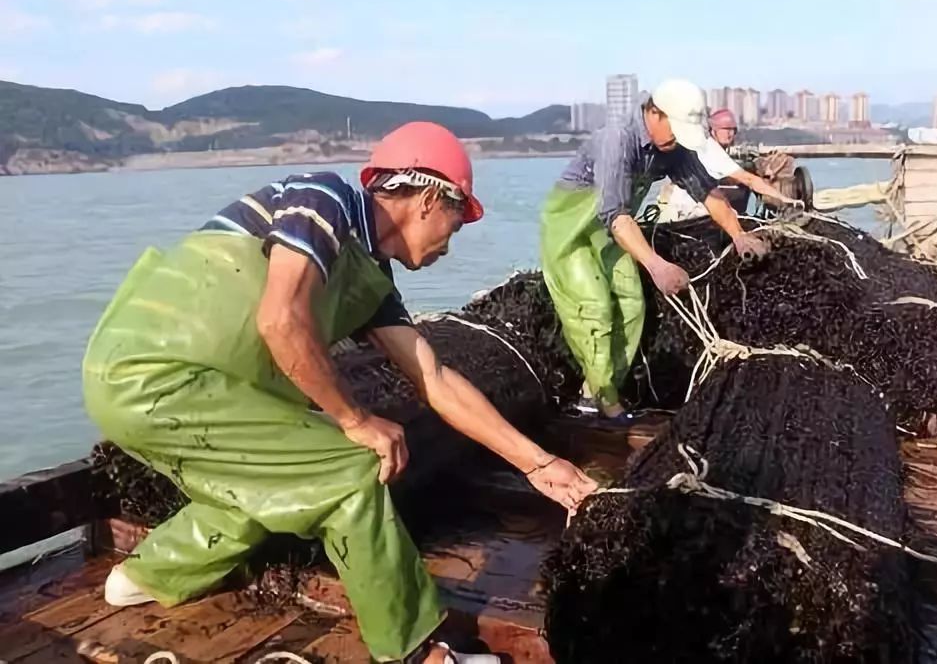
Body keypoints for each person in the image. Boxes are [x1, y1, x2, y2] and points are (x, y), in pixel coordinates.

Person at [83, 121, 598, 664]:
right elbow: (281, 320)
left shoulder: (373, 282)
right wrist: (354, 420)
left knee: (267, 490)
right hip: (159, 375)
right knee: (353, 467)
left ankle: (144, 575)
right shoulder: (324, 198)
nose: (453, 239)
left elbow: (436, 380)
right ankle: (415, 650)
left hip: (154, 388)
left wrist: (539, 464)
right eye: (457, 218)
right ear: (427, 198)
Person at [540, 79, 775, 422]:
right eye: (676, 130)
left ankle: (601, 387)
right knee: (593, 305)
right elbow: (615, 212)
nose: (678, 139)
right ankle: (603, 402)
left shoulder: (672, 148)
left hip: (611, 233)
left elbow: (706, 192)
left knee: (633, 303)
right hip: (571, 229)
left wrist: (739, 235)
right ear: (654, 112)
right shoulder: (617, 139)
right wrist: (656, 264)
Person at [657, 108, 800, 221]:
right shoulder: (710, 150)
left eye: (733, 130)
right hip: (689, 210)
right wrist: (784, 199)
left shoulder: (712, 149)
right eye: (725, 129)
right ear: (713, 130)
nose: (730, 134)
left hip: (691, 206)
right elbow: (749, 180)